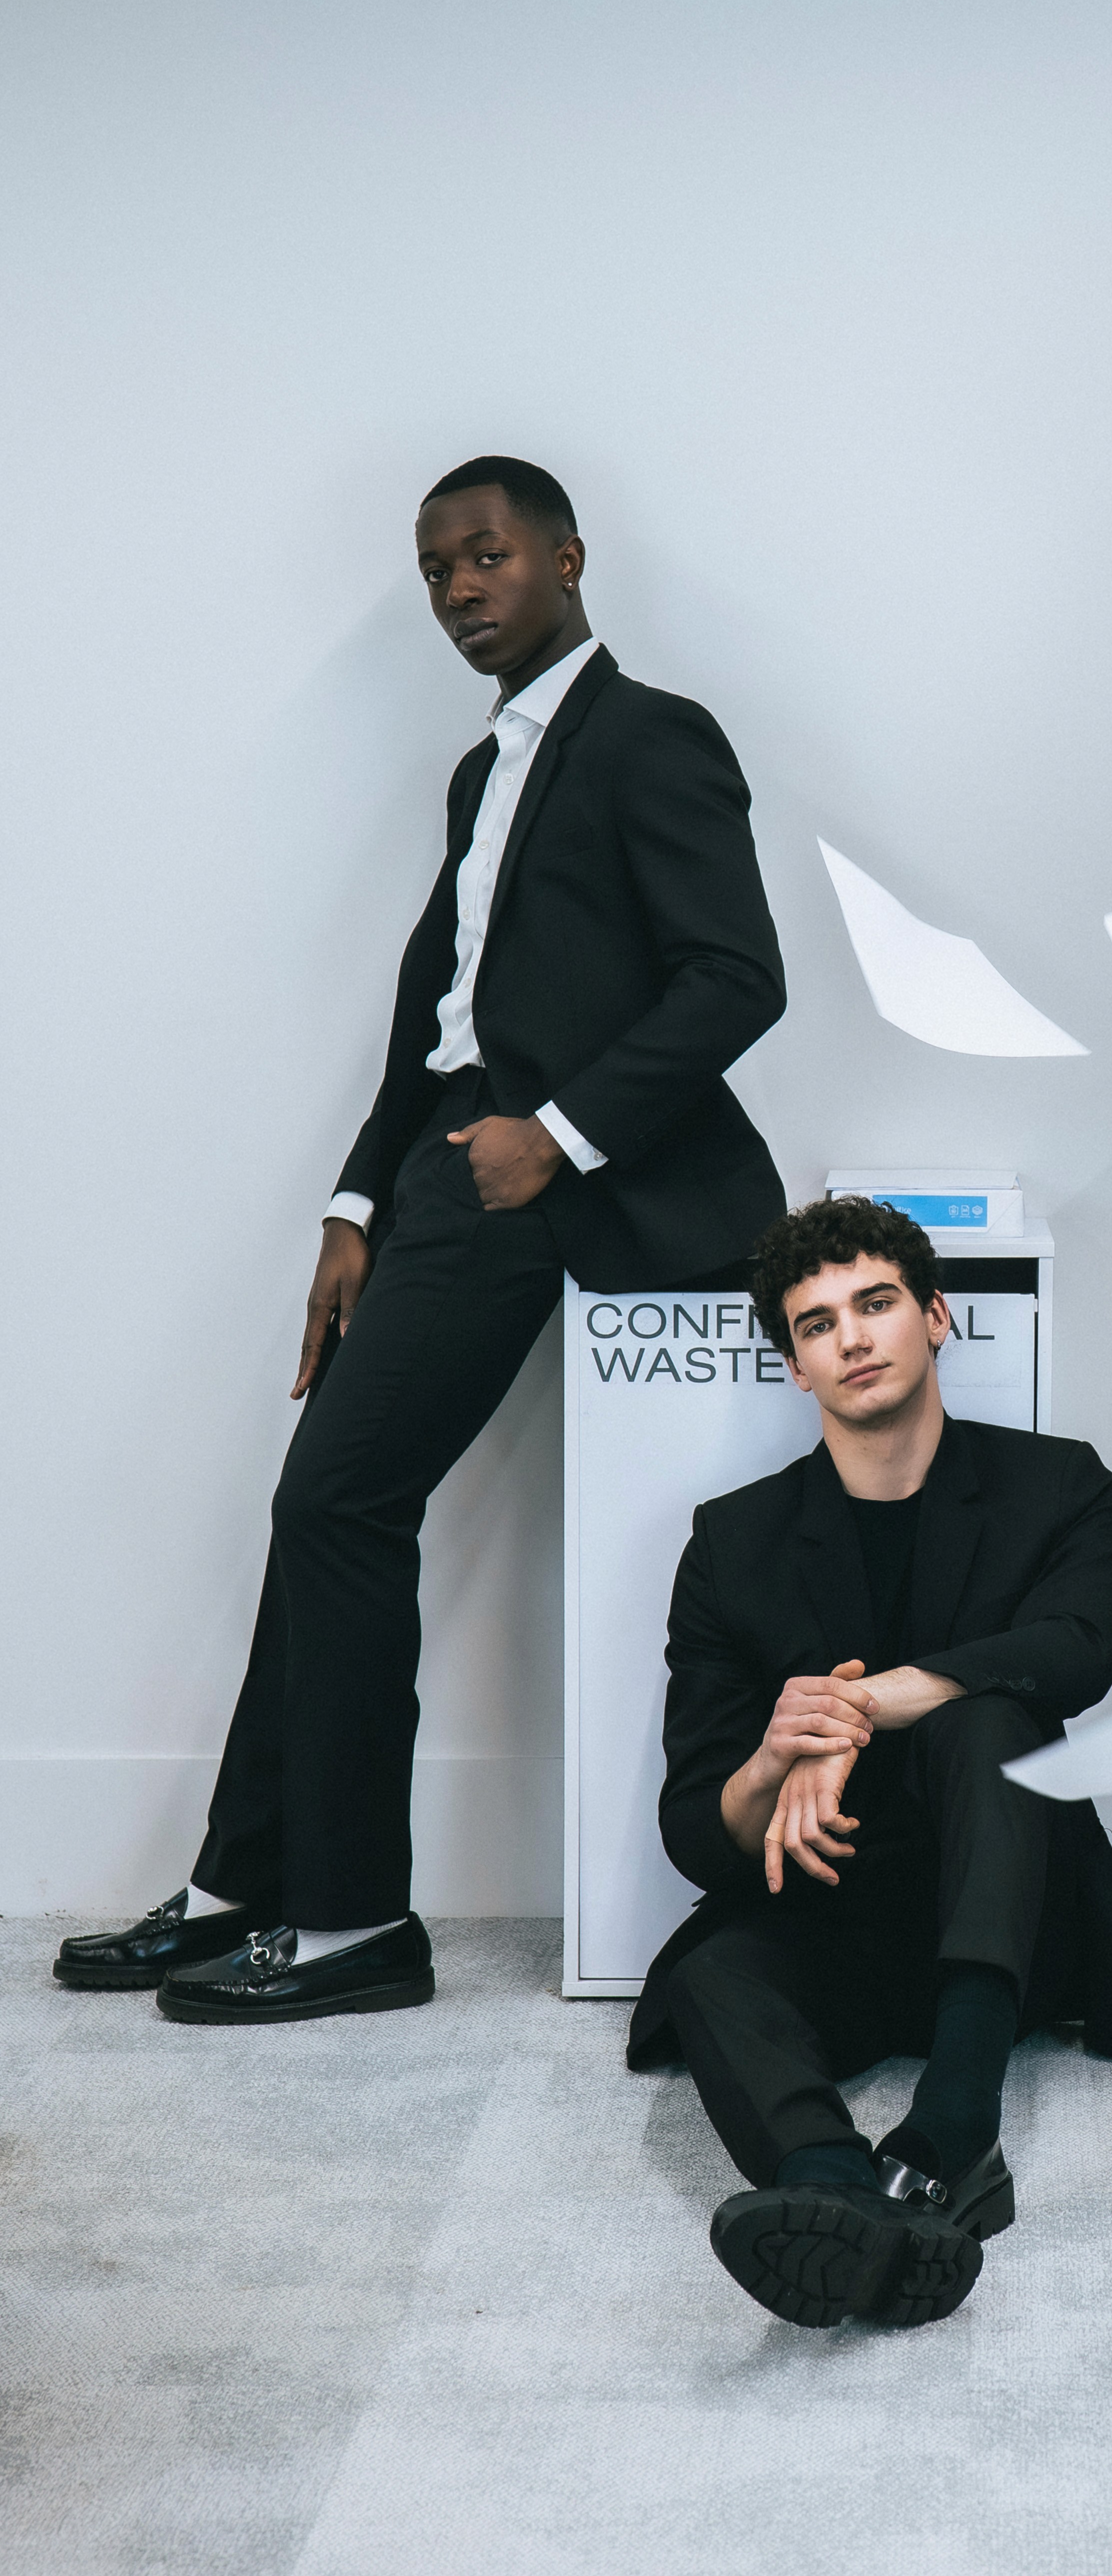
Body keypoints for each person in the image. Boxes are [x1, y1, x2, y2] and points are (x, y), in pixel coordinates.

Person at [55, 458, 787, 2025]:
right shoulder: (482, 773)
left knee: (336, 1501)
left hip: (549, 1173)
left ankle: (352, 1923)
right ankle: (249, 1884)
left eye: (488, 556)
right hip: (447, 1170)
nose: (460, 589)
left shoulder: (653, 737)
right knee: (323, 1507)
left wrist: (557, 1134)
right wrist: (355, 1206)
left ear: (568, 557)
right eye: (438, 570)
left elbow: (738, 978)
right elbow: (437, 1018)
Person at [628, 1195, 1112, 2328]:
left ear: (936, 1317)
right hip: (843, 1921)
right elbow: (696, 1833)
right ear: (795, 1367)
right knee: (710, 1976)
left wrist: (856, 1707)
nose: (853, 1339)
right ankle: (833, 2192)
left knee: (989, 1717)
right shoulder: (734, 1542)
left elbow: (1079, 1651)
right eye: (817, 1324)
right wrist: (774, 1757)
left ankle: (952, 2135)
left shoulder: (1056, 1485)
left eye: (875, 1304)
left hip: (1016, 1922)